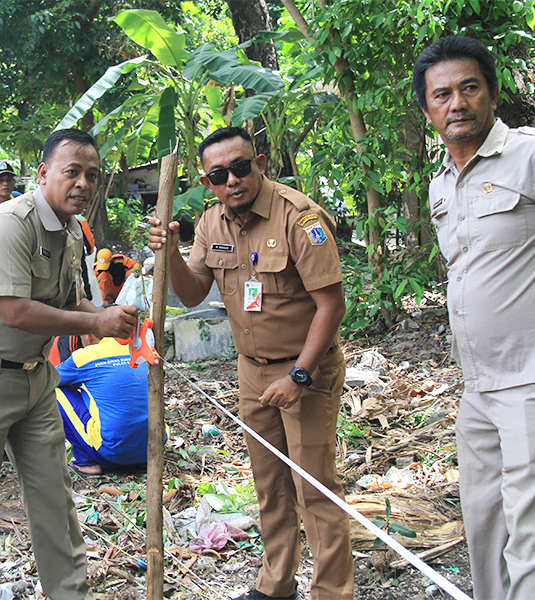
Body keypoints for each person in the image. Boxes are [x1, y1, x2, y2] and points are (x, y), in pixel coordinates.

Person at [0, 129, 137, 600]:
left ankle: (69, 592)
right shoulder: (10, 222)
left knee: (53, 496)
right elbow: (16, 311)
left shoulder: (70, 232)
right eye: (71, 172)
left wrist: (111, 317)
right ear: (43, 173)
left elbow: (72, 300)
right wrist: (98, 323)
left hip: (34, 379)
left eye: (91, 174)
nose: (83, 183)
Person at [149, 127, 353, 600]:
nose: (233, 180)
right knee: (270, 485)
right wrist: (170, 253)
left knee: (314, 487)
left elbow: (331, 305)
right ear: (207, 182)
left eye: (241, 167)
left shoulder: (299, 218)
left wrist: (300, 375)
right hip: (251, 372)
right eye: (219, 175)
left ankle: (332, 592)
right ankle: (277, 585)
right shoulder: (210, 224)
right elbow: (192, 292)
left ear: (259, 163)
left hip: (305, 369)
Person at [413, 36, 535, 600]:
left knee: (534, 533)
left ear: (493, 95)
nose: (457, 103)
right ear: (428, 112)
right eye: (442, 94)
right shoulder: (442, 184)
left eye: (469, 88)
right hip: (476, 387)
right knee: (484, 525)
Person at [55, 333, 154, 475]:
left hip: (113, 456)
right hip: (153, 451)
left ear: (88, 337)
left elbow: (48, 378)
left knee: (55, 391)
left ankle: (85, 461)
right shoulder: (138, 349)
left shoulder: (83, 356)